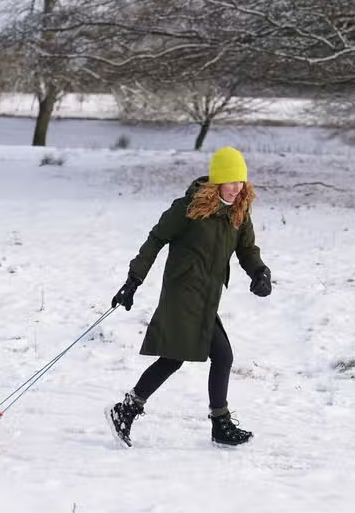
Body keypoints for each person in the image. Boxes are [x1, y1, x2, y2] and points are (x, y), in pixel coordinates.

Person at [108, 146, 272, 447]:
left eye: (242, 181)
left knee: (180, 359)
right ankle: (215, 424)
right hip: (182, 293)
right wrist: (134, 280)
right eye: (232, 181)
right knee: (204, 356)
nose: (238, 187)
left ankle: (128, 409)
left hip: (208, 296)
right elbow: (155, 239)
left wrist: (259, 273)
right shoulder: (189, 208)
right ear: (218, 180)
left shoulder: (238, 212)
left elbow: (246, 250)